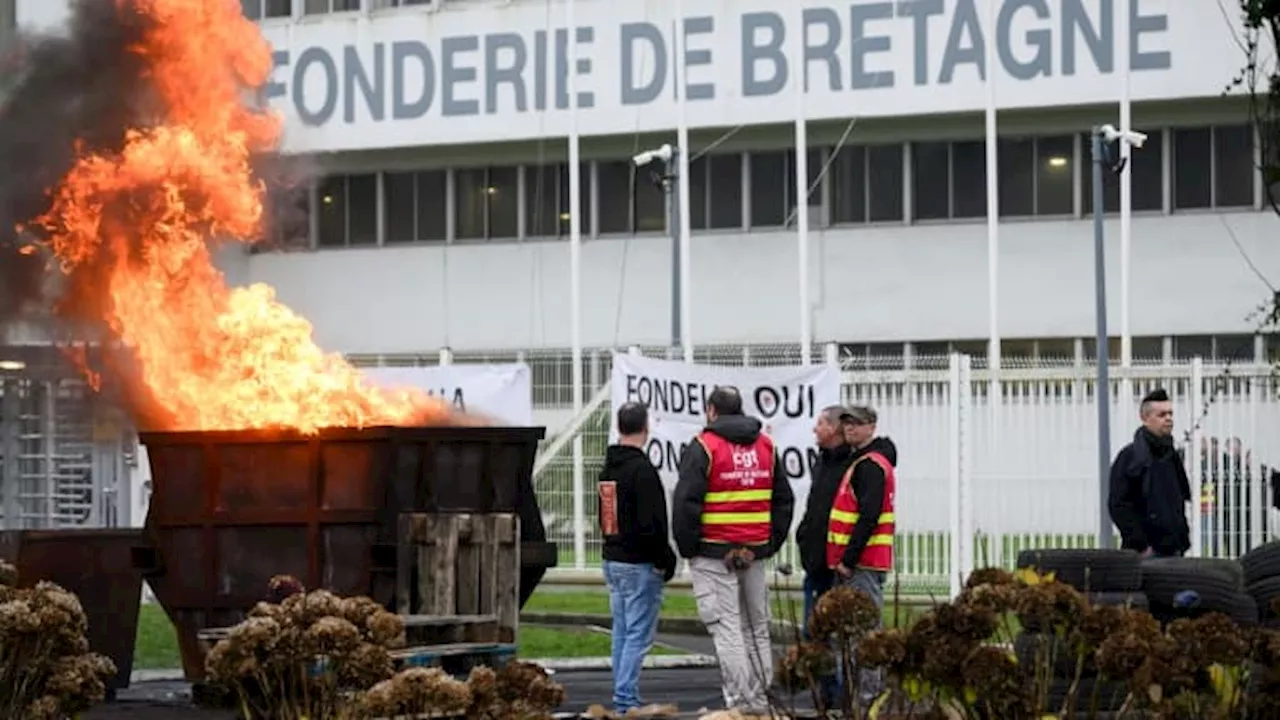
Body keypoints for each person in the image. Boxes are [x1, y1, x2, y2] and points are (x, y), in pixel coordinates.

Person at [672, 386, 795, 715]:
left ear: (712, 410)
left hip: (713, 554)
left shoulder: (704, 447)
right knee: (756, 627)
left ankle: (743, 704)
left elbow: (686, 502)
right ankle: (761, 699)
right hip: (753, 553)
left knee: (727, 628)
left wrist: (689, 548)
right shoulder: (766, 446)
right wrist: (768, 545)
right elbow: (783, 499)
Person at [598, 401, 678, 715]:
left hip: (613, 558)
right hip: (639, 563)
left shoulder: (609, 468)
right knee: (638, 635)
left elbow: (606, 516)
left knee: (621, 632)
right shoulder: (642, 471)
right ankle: (625, 698)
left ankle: (622, 695)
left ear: (619, 427)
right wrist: (665, 560)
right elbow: (652, 524)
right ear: (646, 428)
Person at [825, 405, 897, 708]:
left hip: (862, 564)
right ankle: (862, 700)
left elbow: (868, 515)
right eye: (847, 424)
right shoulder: (865, 462)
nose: (850, 429)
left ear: (871, 426)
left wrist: (848, 559)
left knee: (866, 635)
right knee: (857, 634)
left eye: (857, 423)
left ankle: (869, 702)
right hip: (860, 563)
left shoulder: (869, 465)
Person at [1109, 388, 1191, 558]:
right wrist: (1141, 545)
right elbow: (1118, 505)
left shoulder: (1171, 456)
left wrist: (1182, 539)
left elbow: (1179, 500)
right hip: (1146, 554)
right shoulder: (1130, 457)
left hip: (1174, 550)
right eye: (1161, 415)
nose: (1168, 419)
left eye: (1170, 414)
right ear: (1145, 419)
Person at [796, 406, 854, 628]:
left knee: (836, 630)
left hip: (838, 561)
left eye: (820, 424)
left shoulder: (851, 464)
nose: (815, 429)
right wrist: (804, 535)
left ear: (833, 428)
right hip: (815, 558)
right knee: (812, 630)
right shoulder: (822, 461)